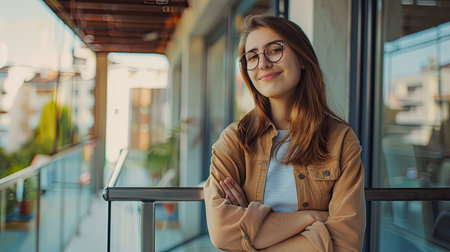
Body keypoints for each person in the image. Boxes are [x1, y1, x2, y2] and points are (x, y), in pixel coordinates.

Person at [203, 14, 365, 252]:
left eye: (275, 50)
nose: (263, 63)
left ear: (301, 57)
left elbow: (347, 243)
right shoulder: (234, 140)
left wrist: (250, 228)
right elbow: (222, 233)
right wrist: (312, 219)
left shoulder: (341, 140)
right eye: (252, 57)